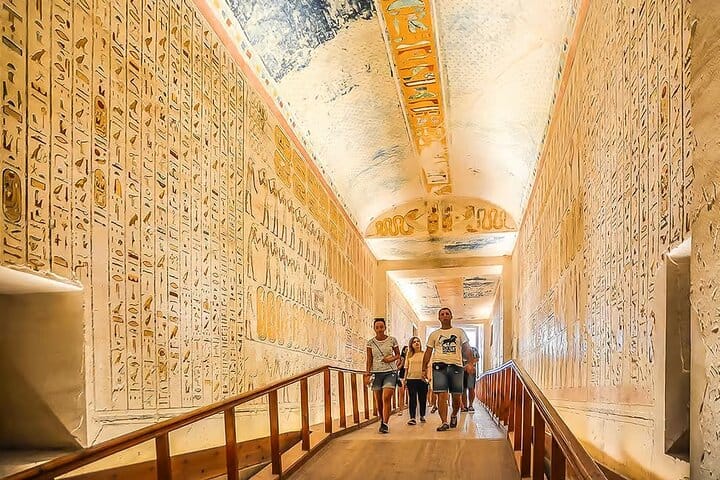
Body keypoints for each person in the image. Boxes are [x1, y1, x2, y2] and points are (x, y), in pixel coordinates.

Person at [422, 307, 472, 431]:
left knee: (456, 397)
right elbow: (428, 352)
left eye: (447, 313)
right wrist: (423, 369)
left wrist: (470, 363)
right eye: (442, 314)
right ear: (439, 318)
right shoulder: (434, 334)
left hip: (456, 366)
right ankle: (444, 422)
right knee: (442, 395)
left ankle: (454, 414)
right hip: (439, 367)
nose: (444, 315)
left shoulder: (459, 332)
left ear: (451, 316)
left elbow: (467, 348)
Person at [364, 318, 400, 434]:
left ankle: (385, 423)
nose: (379, 329)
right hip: (376, 372)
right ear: (374, 328)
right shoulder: (370, 343)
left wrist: (391, 359)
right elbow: (369, 359)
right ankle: (382, 419)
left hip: (390, 371)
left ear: (385, 327)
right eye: (377, 327)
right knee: (378, 400)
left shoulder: (392, 340)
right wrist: (367, 373)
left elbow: (398, 355)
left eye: (381, 327)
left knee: (386, 397)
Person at [404, 336, 429, 425]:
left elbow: (428, 366)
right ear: (411, 344)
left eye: (418, 341)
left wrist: (428, 378)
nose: (416, 343)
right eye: (414, 342)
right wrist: (405, 379)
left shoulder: (424, 354)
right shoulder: (409, 355)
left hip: (422, 379)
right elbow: (406, 368)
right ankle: (412, 417)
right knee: (412, 398)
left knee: (422, 398)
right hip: (411, 379)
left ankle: (422, 415)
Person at [461, 345, 480, 412]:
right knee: (463, 389)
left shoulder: (474, 349)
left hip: (471, 371)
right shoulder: (459, 349)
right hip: (462, 370)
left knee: (471, 388)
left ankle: (471, 405)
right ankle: (464, 406)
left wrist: (469, 364)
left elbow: (477, 359)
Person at [396, 346, 409, 416]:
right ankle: (400, 410)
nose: (408, 351)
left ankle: (410, 409)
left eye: (408, 350)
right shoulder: (401, 358)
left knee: (410, 394)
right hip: (401, 377)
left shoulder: (410, 358)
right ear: (403, 351)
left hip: (409, 377)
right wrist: (402, 362)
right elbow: (397, 368)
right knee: (401, 394)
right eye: (406, 350)